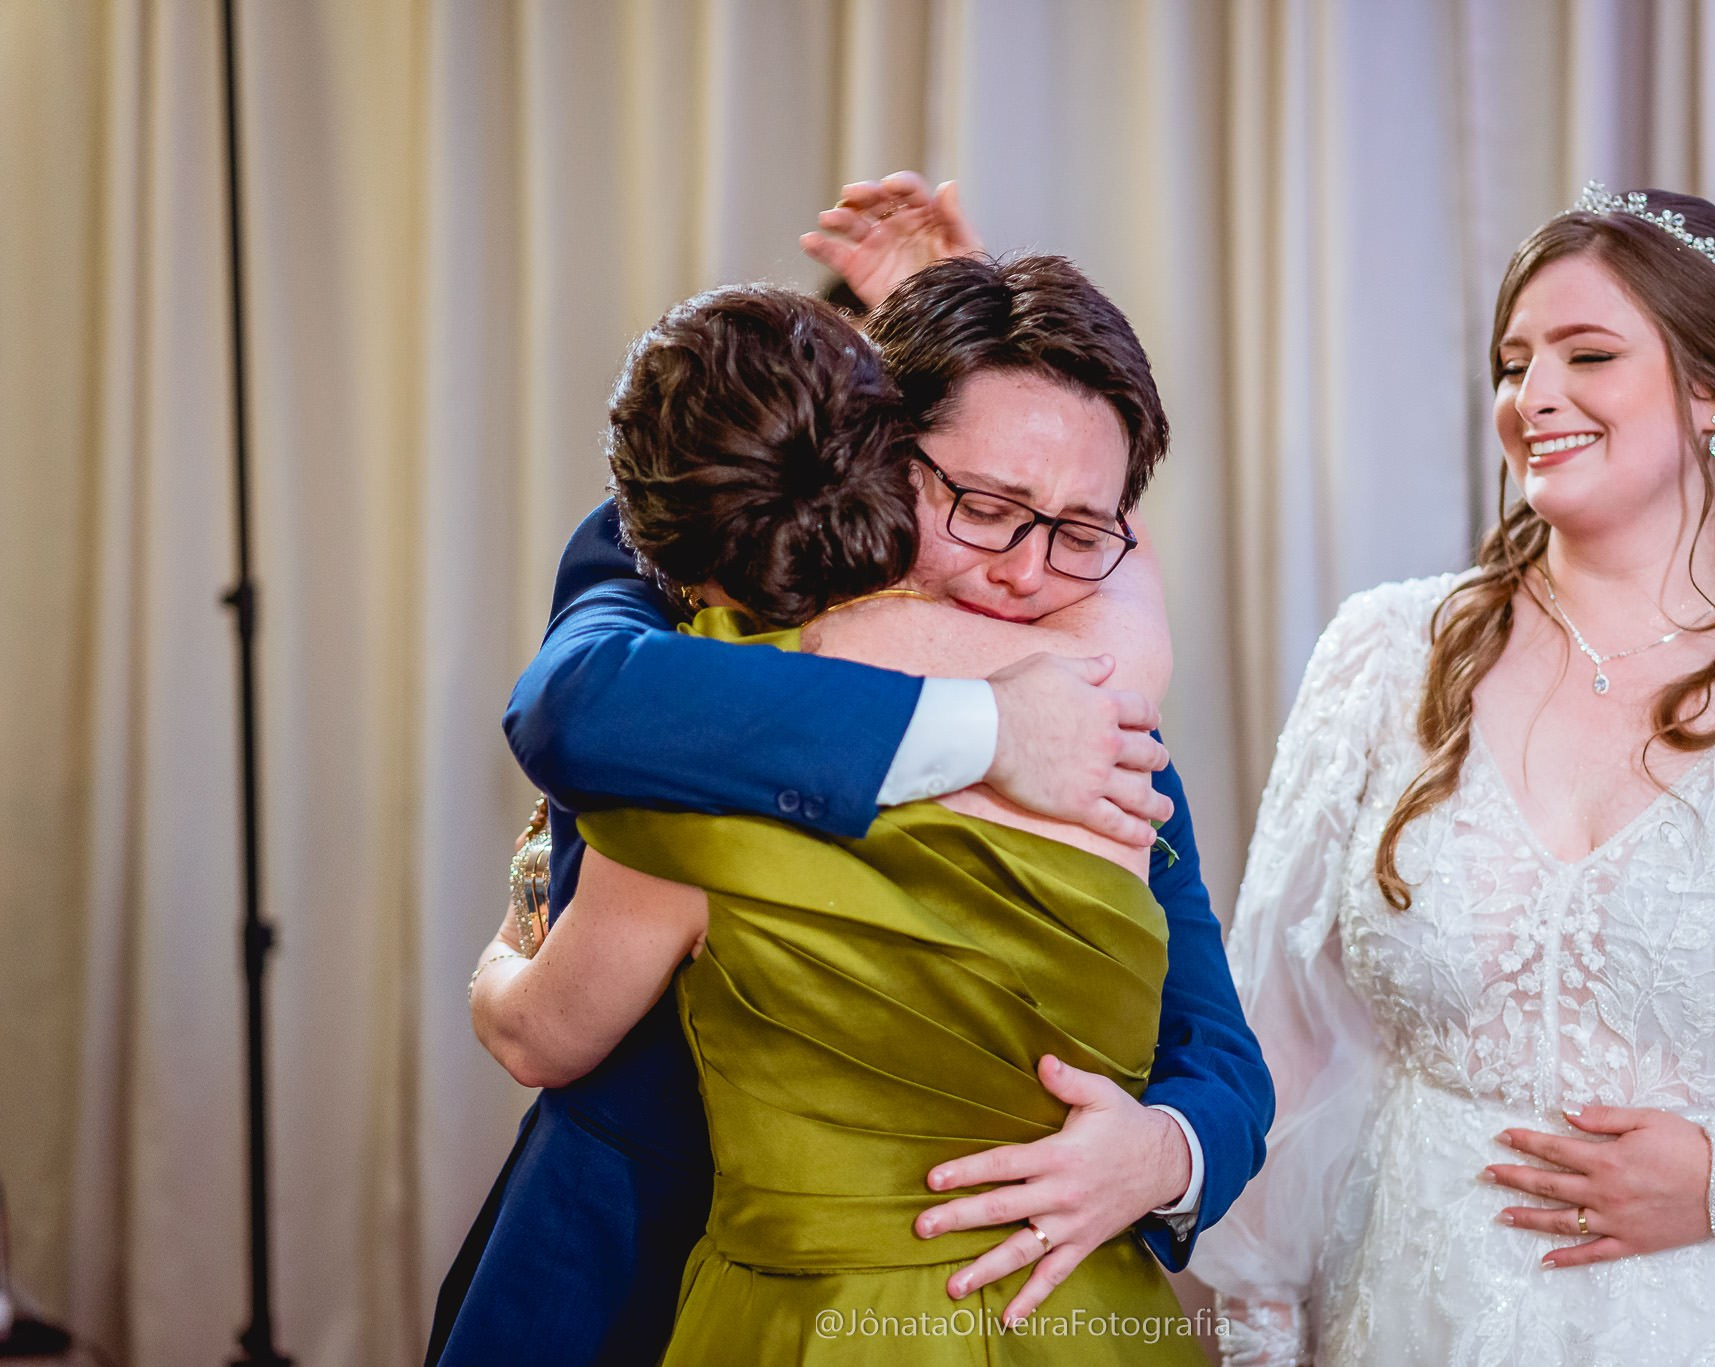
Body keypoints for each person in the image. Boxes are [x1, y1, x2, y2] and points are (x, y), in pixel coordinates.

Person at [1191, 184, 1715, 1365]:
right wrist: (1256, 1319)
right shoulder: (1385, 656)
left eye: (1586, 354)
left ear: (1711, 389)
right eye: (1512, 364)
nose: (1532, 397)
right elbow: (1279, 1026)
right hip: (1416, 1310)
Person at [426, 243, 1271, 1365]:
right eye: (985, 506)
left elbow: (1219, 1052)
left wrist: (1163, 1151)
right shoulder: (702, 626)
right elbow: (573, 703)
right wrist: (980, 718)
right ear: (871, 454)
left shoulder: (1104, 731)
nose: (1026, 573)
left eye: (1080, 533)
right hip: (622, 1251)